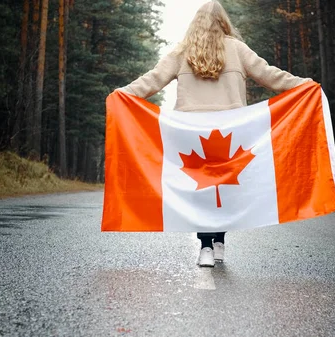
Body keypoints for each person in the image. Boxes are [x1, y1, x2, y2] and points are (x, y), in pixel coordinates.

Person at [116, 0, 312, 267]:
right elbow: (270, 75)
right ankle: (219, 243)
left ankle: (206, 246)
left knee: (202, 189)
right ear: (224, 22)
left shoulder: (181, 52)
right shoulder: (237, 49)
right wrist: (303, 84)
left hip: (191, 134)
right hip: (231, 131)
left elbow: (151, 80)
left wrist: (122, 94)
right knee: (225, 188)